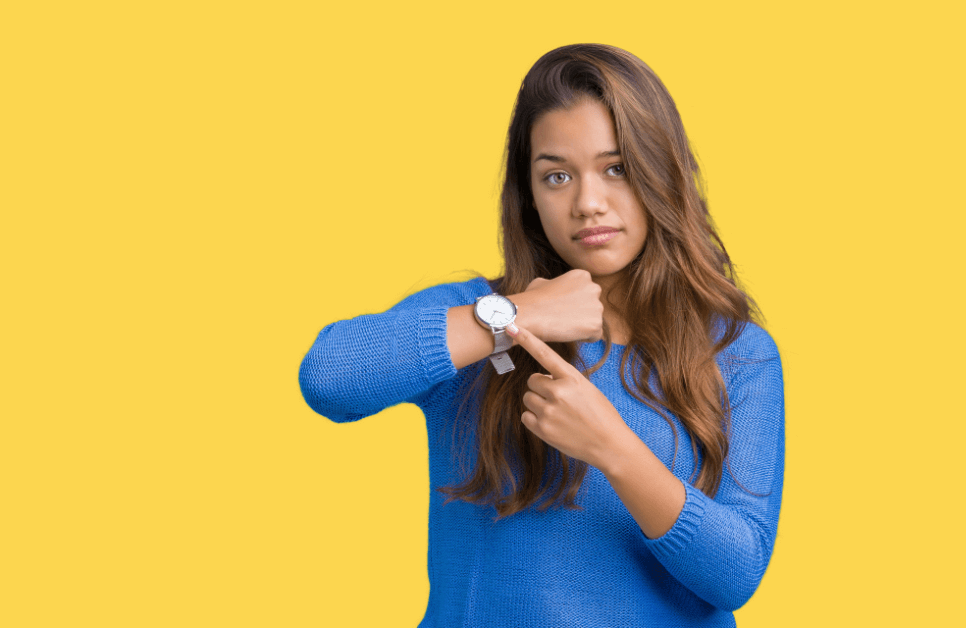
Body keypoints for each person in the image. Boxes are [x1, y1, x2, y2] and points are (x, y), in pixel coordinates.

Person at [298, 43, 784, 627]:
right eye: (557, 176)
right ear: (529, 195)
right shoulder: (478, 317)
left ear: (661, 170)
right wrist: (510, 317)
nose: (587, 203)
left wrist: (611, 444)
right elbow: (328, 378)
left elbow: (737, 573)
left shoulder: (736, 352)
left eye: (617, 168)